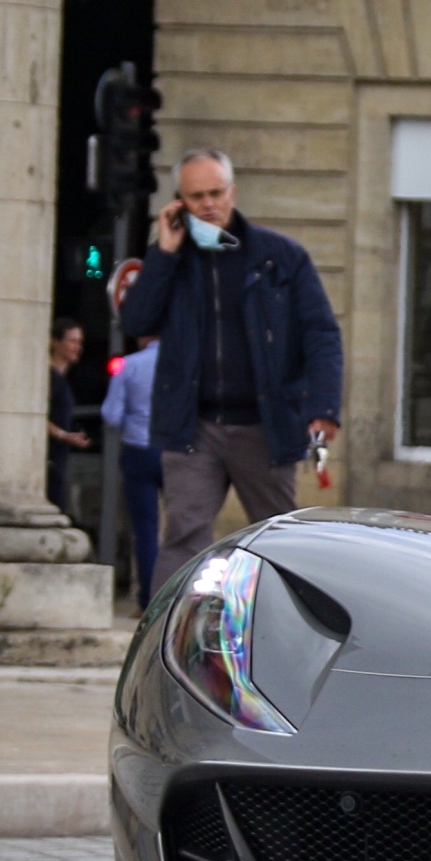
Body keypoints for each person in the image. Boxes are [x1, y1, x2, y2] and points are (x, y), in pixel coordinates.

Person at [121, 147, 343, 582]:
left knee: (281, 537)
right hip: (193, 425)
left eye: (216, 192)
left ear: (232, 192)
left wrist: (324, 407)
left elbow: (321, 333)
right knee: (183, 535)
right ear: (180, 203)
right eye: (197, 196)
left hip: (266, 421)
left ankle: (292, 638)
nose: (209, 204)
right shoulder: (172, 261)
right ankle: (166, 639)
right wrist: (163, 254)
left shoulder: (280, 256)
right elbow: (137, 321)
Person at [102, 331, 162, 604]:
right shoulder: (182, 362)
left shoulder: (129, 365)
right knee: (184, 528)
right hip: (177, 451)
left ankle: (148, 598)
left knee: (145, 530)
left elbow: (111, 414)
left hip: (138, 449)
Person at [45, 317, 91, 514]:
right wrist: (64, 435)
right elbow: (37, 418)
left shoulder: (62, 380)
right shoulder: (51, 378)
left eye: (80, 342)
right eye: (72, 341)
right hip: (50, 457)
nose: (77, 347)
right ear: (56, 342)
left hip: (59, 456)